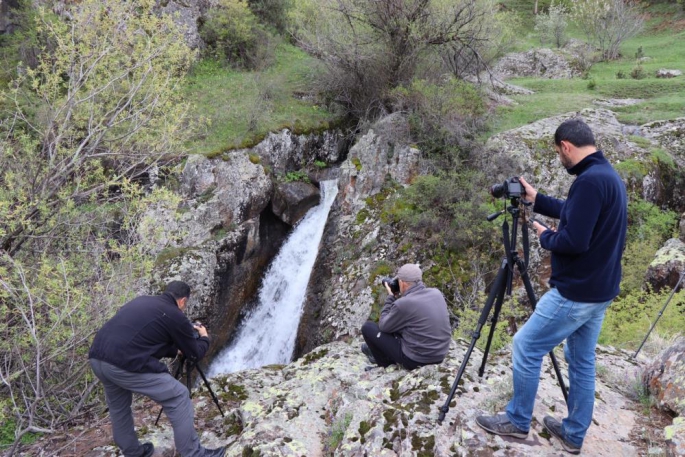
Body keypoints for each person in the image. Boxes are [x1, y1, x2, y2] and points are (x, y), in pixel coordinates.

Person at [475, 118, 628, 455]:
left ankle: (516, 420)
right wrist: (537, 199)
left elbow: (573, 240)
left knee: (526, 346)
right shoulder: (607, 176)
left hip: (576, 292)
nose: (561, 159)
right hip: (600, 290)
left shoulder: (588, 182)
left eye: (560, 153)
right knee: (582, 360)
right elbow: (577, 214)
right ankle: (574, 434)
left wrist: (544, 236)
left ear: (566, 147)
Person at [89, 281, 226, 457]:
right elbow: (194, 354)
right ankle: (194, 453)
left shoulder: (141, 301)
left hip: (97, 358)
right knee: (178, 395)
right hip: (123, 363)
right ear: (183, 301)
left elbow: (141, 338)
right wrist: (205, 338)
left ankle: (133, 452)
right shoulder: (175, 315)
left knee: (119, 406)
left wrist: (175, 349)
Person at [361, 263, 451, 370]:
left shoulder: (404, 303)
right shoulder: (437, 293)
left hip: (416, 360)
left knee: (368, 327)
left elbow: (384, 325)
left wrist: (391, 297)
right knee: (400, 325)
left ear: (402, 283)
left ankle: (385, 365)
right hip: (439, 355)